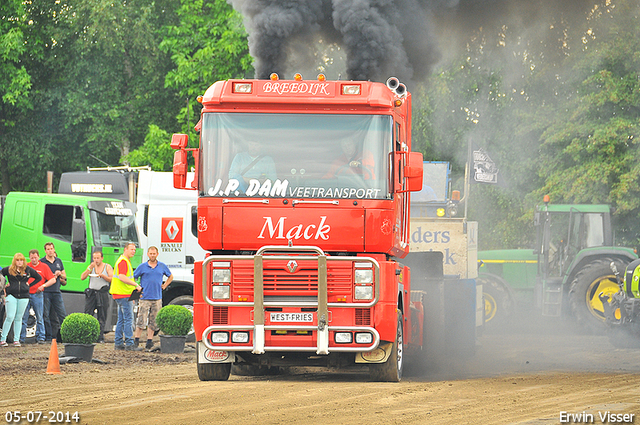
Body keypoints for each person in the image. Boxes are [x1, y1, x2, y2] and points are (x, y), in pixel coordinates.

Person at [133, 246, 173, 349]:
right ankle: (136, 340)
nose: (152, 255)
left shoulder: (162, 266)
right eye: (150, 254)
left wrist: (165, 285)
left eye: (154, 253)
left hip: (157, 298)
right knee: (141, 319)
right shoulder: (142, 266)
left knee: (153, 321)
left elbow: (170, 276)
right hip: (144, 297)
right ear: (148, 254)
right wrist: (137, 289)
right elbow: (134, 277)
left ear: (157, 254)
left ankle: (149, 341)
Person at [1, 253, 42, 347]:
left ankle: (16, 340)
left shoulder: (28, 270)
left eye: (21, 260)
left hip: (24, 296)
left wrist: (28, 285)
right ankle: (3, 339)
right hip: (11, 295)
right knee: (10, 316)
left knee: (19, 318)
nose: (20, 262)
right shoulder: (8, 269)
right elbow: (1, 275)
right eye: (18, 260)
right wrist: (4, 285)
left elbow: (38, 277)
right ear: (14, 261)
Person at [110, 242, 143, 351]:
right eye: (131, 249)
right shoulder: (123, 261)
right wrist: (136, 285)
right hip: (123, 294)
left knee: (121, 319)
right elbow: (122, 277)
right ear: (125, 249)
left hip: (121, 294)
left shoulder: (123, 260)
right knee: (128, 319)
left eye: (134, 250)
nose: (133, 251)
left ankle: (118, 343)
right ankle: (129, 343)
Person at [20, 249, 56, 344]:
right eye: (32, 258)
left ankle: (41, 337)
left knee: (40, 316)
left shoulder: (44, 267)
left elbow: (52, 280)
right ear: (29, 258)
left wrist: (43, 285)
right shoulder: (26, 266)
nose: (34, 259)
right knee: (24, 317)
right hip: (26, 295)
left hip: (37, 294)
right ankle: (22, 337)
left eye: (35, 257)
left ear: (38, 257)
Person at [81, 250, 113, 343]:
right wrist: (89, 268)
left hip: (102, 293)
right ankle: (87, 335)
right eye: (94, 258)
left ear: (102, 258)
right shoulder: (91, 267)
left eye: (98, 258)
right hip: (91, 293)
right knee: (88, 314)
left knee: (102, 315)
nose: (96, 260)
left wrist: (103, 276)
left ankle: (100, 336)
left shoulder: (107, 267)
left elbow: (112, 278)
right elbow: (82, 277)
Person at [41, 242, 67, 341]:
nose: (50, 251)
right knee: (45, 315)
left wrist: (60, 274)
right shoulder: (42, 262)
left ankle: (65, 335)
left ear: (54, 249)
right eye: (48, 249)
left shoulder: (58, 261)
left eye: (51, 249)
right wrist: (51, 275)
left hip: (56, 291)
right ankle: (48, 337)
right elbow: (40, 277)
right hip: (46, 291)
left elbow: (65, 276)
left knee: (62, 314)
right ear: (45, 251)